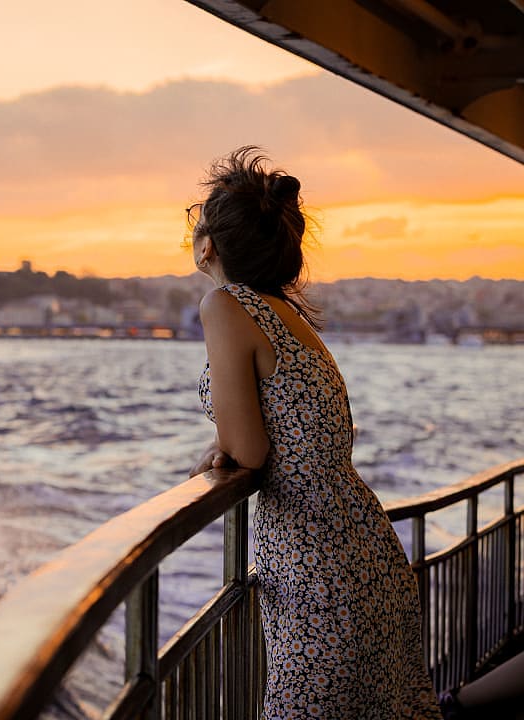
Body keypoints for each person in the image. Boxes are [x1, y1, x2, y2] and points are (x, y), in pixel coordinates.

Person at [187, 147, 441, 719]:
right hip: (363, 548)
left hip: (316, 561)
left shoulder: (226, 305)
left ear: (208, 246)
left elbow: (252, 449)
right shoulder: (288, 314)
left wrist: (224, 447)